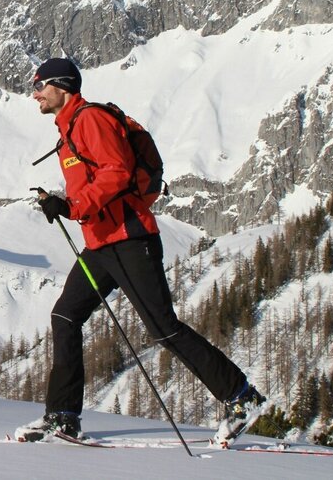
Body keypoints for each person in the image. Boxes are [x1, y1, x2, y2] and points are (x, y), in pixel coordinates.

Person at [16, 57, 264, 443]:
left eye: (40, 86)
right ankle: (63, 416)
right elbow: (94, 183)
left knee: (164, 329)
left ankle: (241, 396)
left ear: (61, 86)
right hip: (101, 245)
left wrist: (73, 208)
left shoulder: (90, 120)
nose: (35, 94)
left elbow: (116, 171)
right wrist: (61, 202)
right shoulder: (68, 131)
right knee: (65, 316)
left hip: (130, 241)